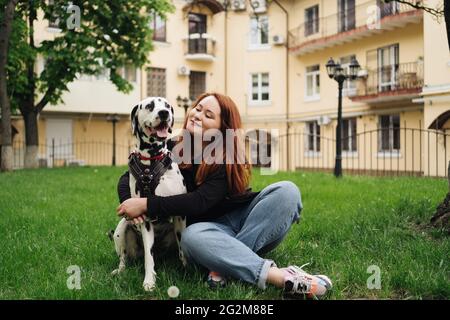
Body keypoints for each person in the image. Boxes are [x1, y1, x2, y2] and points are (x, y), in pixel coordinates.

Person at [116, 92, 332, 299]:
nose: (198, 115)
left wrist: (146, 204)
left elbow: (199, 202)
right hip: (205, 233)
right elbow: (130, 176)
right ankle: (281, 277)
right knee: (192, 237)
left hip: (247, 225)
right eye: (198, 108)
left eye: (208, 115)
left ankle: (223, 263)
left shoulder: (226, 158)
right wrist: (128, 201)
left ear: (222, 129)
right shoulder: (171, 146)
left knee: (287, 191)